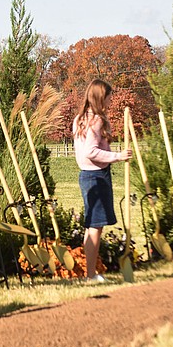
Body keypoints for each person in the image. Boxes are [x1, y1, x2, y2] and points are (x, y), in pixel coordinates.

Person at [72, 79, 132, 282]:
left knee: (93, 225)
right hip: (96, 176)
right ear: (100, 97)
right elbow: (90, 151)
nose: (111, 99)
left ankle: (90, 272)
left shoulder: (80, 119)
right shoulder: (96, 120)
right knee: (96, 225)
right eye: (109, 96)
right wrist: (118, 156)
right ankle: (90, 274)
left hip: (87, 176)